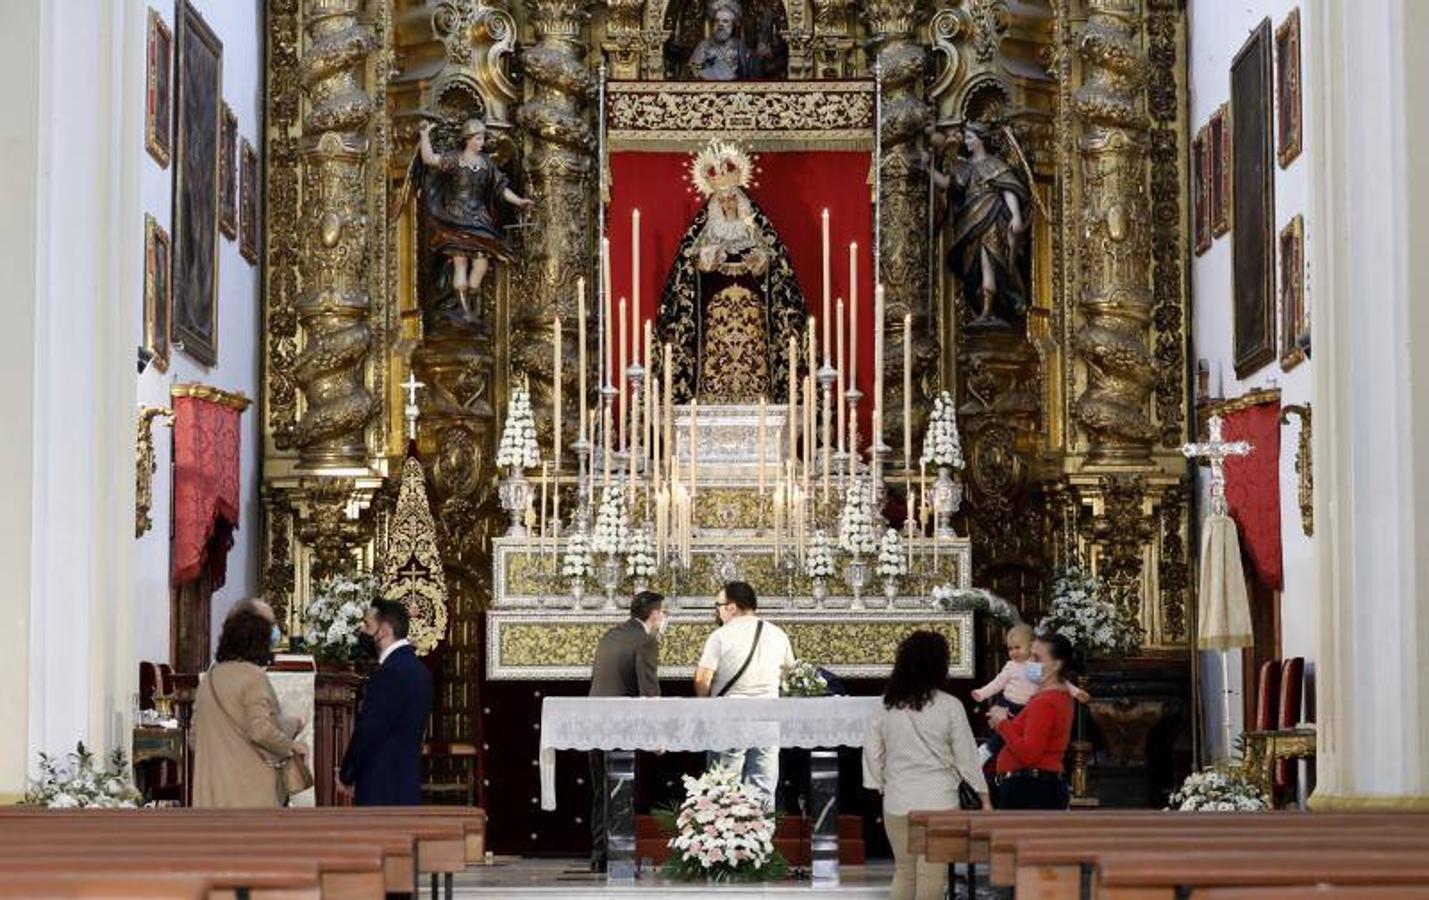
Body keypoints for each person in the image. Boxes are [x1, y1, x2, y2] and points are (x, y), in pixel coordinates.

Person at [863, 631, 990, 900]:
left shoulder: (885, 707)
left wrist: (879, 785)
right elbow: (967, 757)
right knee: (932, 874)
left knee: (904, 872)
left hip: (898, 801)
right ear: (939, 666)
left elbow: (873, 753)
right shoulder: (950, 706)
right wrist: (983, 797)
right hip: (940, 802)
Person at [416, 118, 535, 319]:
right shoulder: (454, 159)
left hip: (479, 218)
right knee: (460, 262)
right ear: (468, 139)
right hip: (455, 216)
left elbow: (501, 188)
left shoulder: (486, 164)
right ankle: (464, 309)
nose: (482, 142)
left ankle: (470, 301)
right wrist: (425, 135)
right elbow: (429, 159)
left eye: (482, 138)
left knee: (481, 265)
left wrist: (519, 201)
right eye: (478, 138)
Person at [193, 599, 305, 808]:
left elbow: (194, 737)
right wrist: (291, 746)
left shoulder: (209, 678)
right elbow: (260, 730)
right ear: (260, 641)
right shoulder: (253, 676)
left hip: (211, 794)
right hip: (250, 794)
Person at [693, 581, 794, 808]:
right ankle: (761, 839)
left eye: (718, 605)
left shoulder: (721, 636)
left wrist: (704, 705)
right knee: (763, 784)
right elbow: (788, 674)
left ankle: (724, 839)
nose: (717, 611)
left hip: (730, 715)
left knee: (724, 784)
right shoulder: (777, 634)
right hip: (768, 716)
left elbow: (702, 679)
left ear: (731, 607)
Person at [587, 591, 668, 873]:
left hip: (594, 722)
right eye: (664, 612)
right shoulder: (646, 641)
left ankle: (600, 856)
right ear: (655, 614)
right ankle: (618, 858)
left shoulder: (610, 635)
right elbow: (649, 691)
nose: (664, 618)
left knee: (601, 792)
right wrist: (657, 736)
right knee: (620, 790)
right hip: (620, 723)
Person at [926, 121, 1032, 326]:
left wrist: (1017, 216)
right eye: (965, 138)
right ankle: (982, 308)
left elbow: (1008, 190)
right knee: (972, 266)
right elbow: (948, 184)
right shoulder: (963, 166)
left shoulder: (995, 164)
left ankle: (989, 309)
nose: (966, 142)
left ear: (980, 140)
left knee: (990, 260)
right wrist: (928, 168)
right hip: (968, 224)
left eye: (969, 138)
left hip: (991, 218)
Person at [338, 599, 434, 806]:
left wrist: (347, 773)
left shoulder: (391, 673)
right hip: (405, 785)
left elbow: (369, 731)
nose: (362, 630)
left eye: (367, 625)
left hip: (381, 789)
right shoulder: (418, 669)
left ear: (383, 630)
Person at [971, 623, 1090, 764]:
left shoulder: (1034, 667)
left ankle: (1001, 756)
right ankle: (985, 751)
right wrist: (982, 693)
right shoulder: (1010, 666)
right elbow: (997, 683)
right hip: (1008, 704)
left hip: (1025, 707)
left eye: (1017, 648)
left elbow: (1061, 682)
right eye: (1010, 649)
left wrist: (1076, 692)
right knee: (1001, 735)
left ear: (1031, 646)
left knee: (1021, 735)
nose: (1013, 652)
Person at [989, 631, 1081, 809]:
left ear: (1055, 665)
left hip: (1029, 789)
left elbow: (1029, 753)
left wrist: (1001, 723)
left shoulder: (1045, 701)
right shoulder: (1059, 696)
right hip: (1038, 786)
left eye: (1037, 659)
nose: (1029, 664)